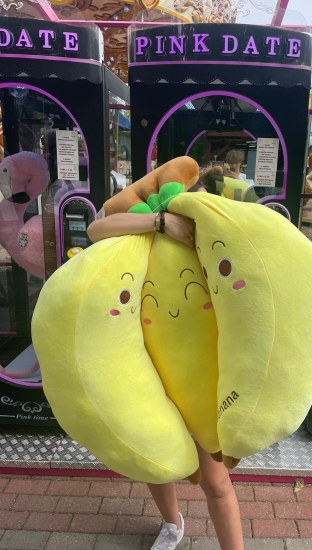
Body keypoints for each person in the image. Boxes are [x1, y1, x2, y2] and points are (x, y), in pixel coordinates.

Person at [86, 184, 244, 550]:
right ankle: (172, 525)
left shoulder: (214, 237)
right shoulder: (146, 230)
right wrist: (159, 222)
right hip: (147, 368)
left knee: (216, 482)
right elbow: (95, 230)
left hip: (200, 373)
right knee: (156, 462)